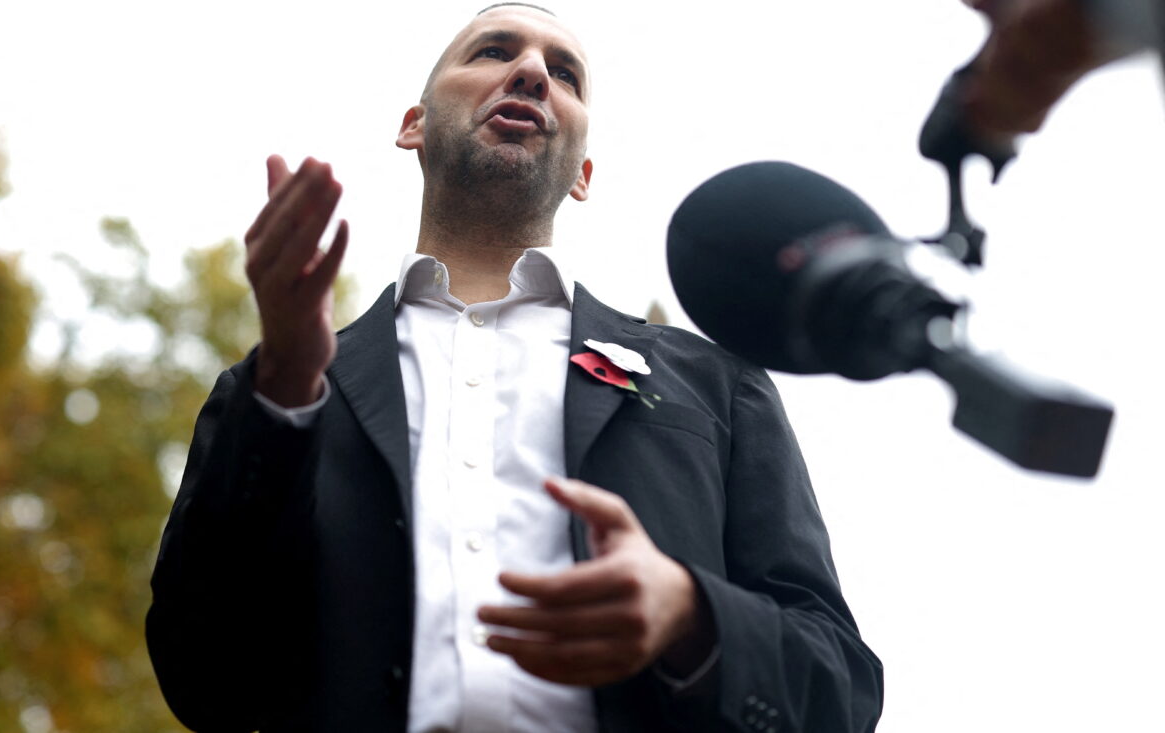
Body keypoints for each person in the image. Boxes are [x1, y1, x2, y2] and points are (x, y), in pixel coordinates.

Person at [145, 4, 883, 731]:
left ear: (584, 173)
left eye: (565, 73)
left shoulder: (715, 384)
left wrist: (693, 615)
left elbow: (840, 690)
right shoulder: (283, 392)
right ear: (415, 126)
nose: (531, 71)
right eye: (494, 51)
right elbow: (202, 676)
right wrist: (284, 395)